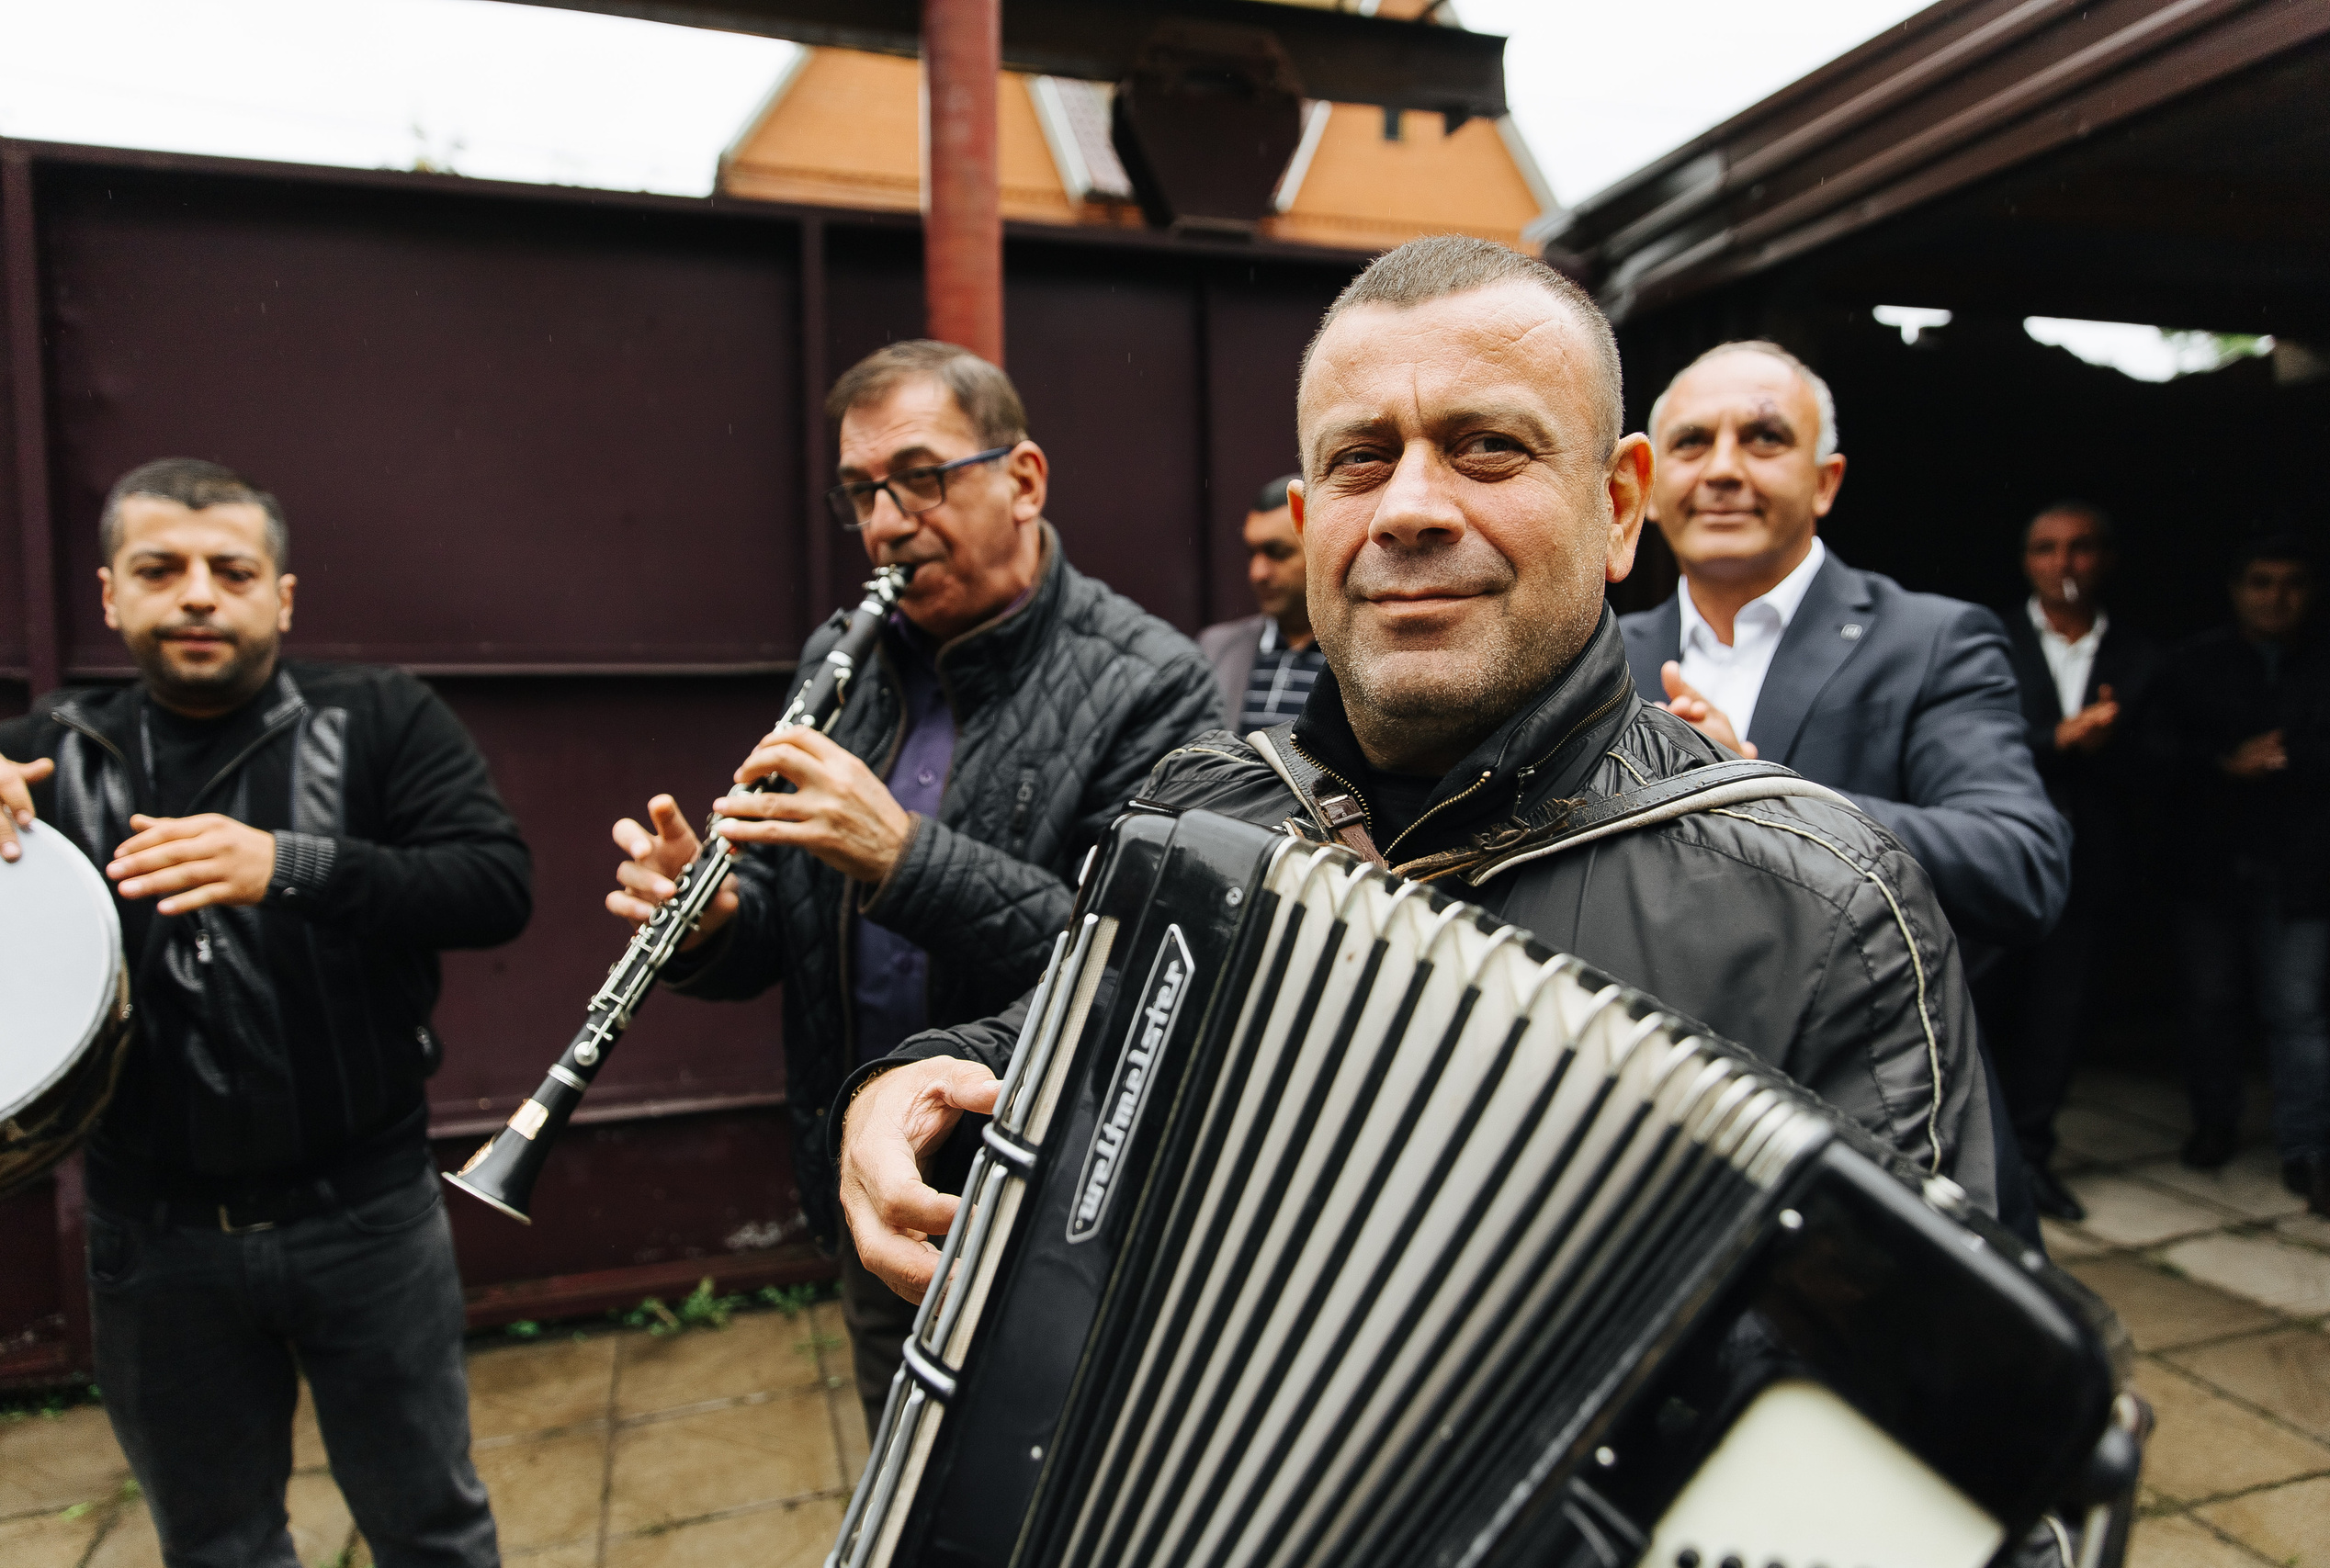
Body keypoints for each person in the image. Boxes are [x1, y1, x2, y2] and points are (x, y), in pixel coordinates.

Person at [833, 235, 2000, 1312]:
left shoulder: (1823, 910)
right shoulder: (1197, 812)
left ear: (1620, 506)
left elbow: (1943, 1414)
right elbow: (1080, 1027)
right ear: (1307, 518)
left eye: (1487, 447)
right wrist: (926, 1078)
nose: (1408, 509)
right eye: (1359, 460)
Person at [605, 340, 1221, 1426]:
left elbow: (1133, 956)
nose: (886, 524)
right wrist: (711, 927)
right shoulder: (836, 660)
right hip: (880, 1189)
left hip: (1055, 1211)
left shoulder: (1155, 682)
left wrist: (902, 854)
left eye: (922, 478)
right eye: (861, 494)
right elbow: (804, 932)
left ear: (1022, 480)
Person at [0, 459, 530, 1568]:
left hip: (368, 1215)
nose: (195, 594)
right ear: (108, 595)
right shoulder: (47, 751)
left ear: (280, 597)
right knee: (217, 1544)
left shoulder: (381, 717)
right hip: (152, 1239)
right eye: (160, 569)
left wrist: (294, 863)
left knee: (432, 1530)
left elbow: (494, 884)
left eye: (230, 571)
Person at [1619, 341, 2071, 1244]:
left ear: (1824, 481)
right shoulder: (1596, 656)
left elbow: (2020, 866)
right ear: (1646, 480)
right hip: (1647, 1147)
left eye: (1763, 438)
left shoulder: (1931, 641)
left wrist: (1758, 793)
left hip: (1877, 1152)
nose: (1722, 470)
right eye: (1693, 442)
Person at [1986, 502, 2160, 1220]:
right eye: (2048, 550)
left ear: (2106, 559)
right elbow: (1974, 741)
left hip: (2093, 861)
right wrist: (2058, 739)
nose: (2065, 565)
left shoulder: (2141, 654)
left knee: (2059, 1016)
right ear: (2028, 561)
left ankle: (2031, 1157)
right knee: (1987, 1008)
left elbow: (2170, 760)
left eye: (2082, 549)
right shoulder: (1990, 639)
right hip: (2001, 858)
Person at [2147, 536, 2330, 1213]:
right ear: (2236, 589)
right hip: (2213, 865)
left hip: (2303, 868)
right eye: (2261, 581)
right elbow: (2157, 751)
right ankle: (2214, 1123)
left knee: (2299, 1010)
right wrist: (2225, 764)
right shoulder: (2196, 662)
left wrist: (2293, 758)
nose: (2276, 597)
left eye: (2292, 582)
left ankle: (2308, 1150)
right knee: (2210, 1003)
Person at [1197, 474, 1328, 732]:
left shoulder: (1360, 652)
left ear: (1323, 548)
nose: (1257, 573)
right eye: (1251, 553)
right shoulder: (1216, 648)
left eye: (1277, 553)